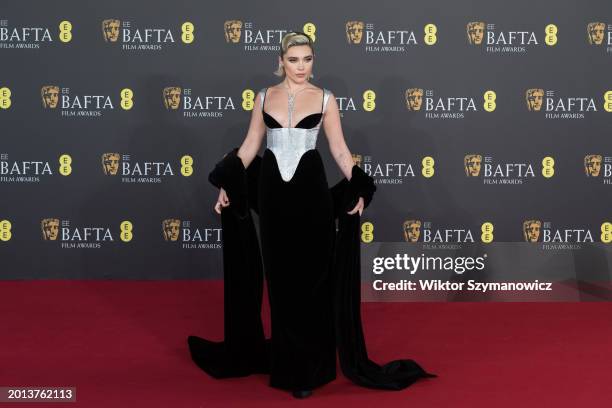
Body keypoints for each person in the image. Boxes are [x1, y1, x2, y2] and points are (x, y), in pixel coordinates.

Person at [187, 31, 436, 399]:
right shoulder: (263, 98)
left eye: (307, 59)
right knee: (282, 282)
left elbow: (338, 150)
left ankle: (310, 369)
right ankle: (289, 363)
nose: (301, 67)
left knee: (311, 281)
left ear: (313, 60)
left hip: (311, 196)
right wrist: (227, 183)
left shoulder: (325, 99)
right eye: (294, 60)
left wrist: (360, 187)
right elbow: (250, 147)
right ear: (281, 61)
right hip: (272, 197)